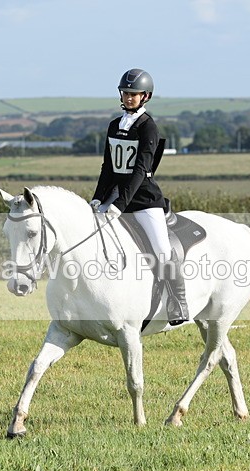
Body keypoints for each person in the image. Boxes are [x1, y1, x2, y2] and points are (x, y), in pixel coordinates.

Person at [90, 68, 188, 326]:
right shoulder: (114, 125)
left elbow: (140, 170)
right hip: (115, 199)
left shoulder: (148, 128)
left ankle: (178, 302)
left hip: (144, 200)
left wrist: (120, 205)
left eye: (134, 94)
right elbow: (108, 168)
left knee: (162, 249)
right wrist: (98, 199)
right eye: (126, 93)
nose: (129, 97)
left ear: (145, 97)